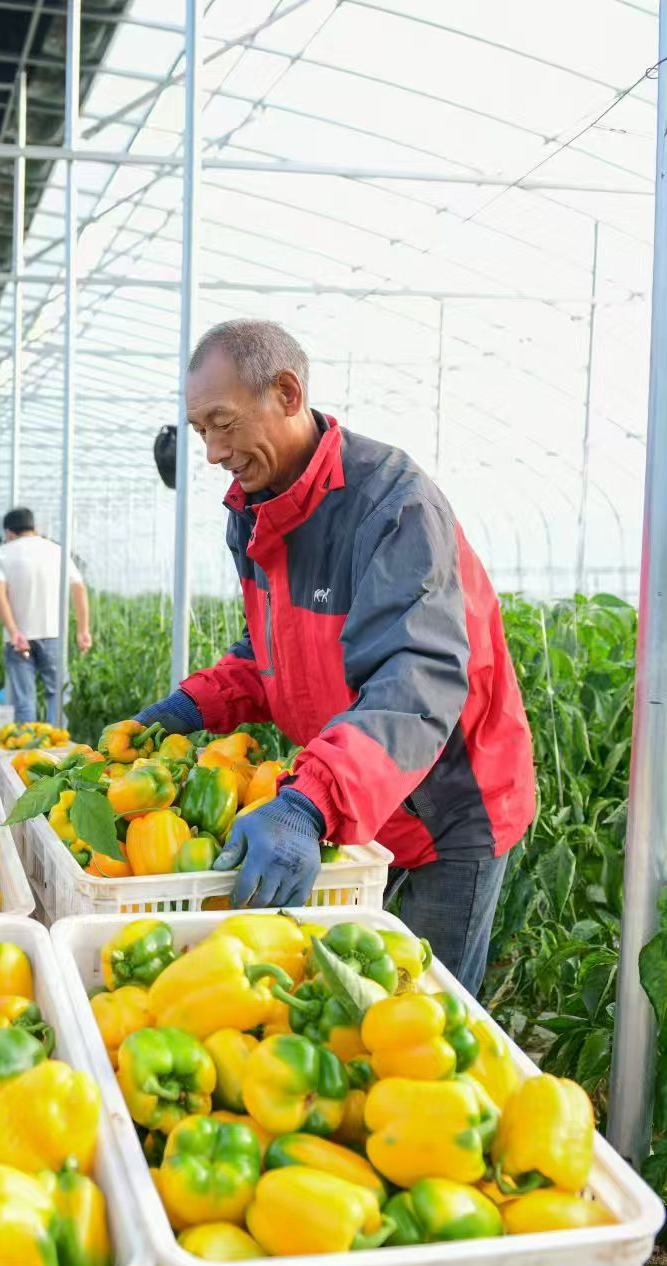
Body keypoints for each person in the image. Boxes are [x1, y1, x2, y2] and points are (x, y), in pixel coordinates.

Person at [117, 320, 535, 995]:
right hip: (354, 798)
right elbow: (272, 649)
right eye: (200, 433)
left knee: (425, 1006)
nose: (214, 453)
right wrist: (193, 704)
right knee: (341, 996)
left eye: (222, 425)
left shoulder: (391, 506)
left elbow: (415, 684)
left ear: (287, 392)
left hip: (446, 805)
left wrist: (310, 803)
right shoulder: (257, 509)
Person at [0, 507, 92, 725]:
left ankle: (28, 751)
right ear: (34, 528)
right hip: (53, 634)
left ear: (9, 532)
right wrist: (83, 629)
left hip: (18, 640)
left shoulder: (3, 553)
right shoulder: (56, 551)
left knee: (24, 701)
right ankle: (57, 749)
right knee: (59, 695)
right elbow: (79, 588)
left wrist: (15, 632)